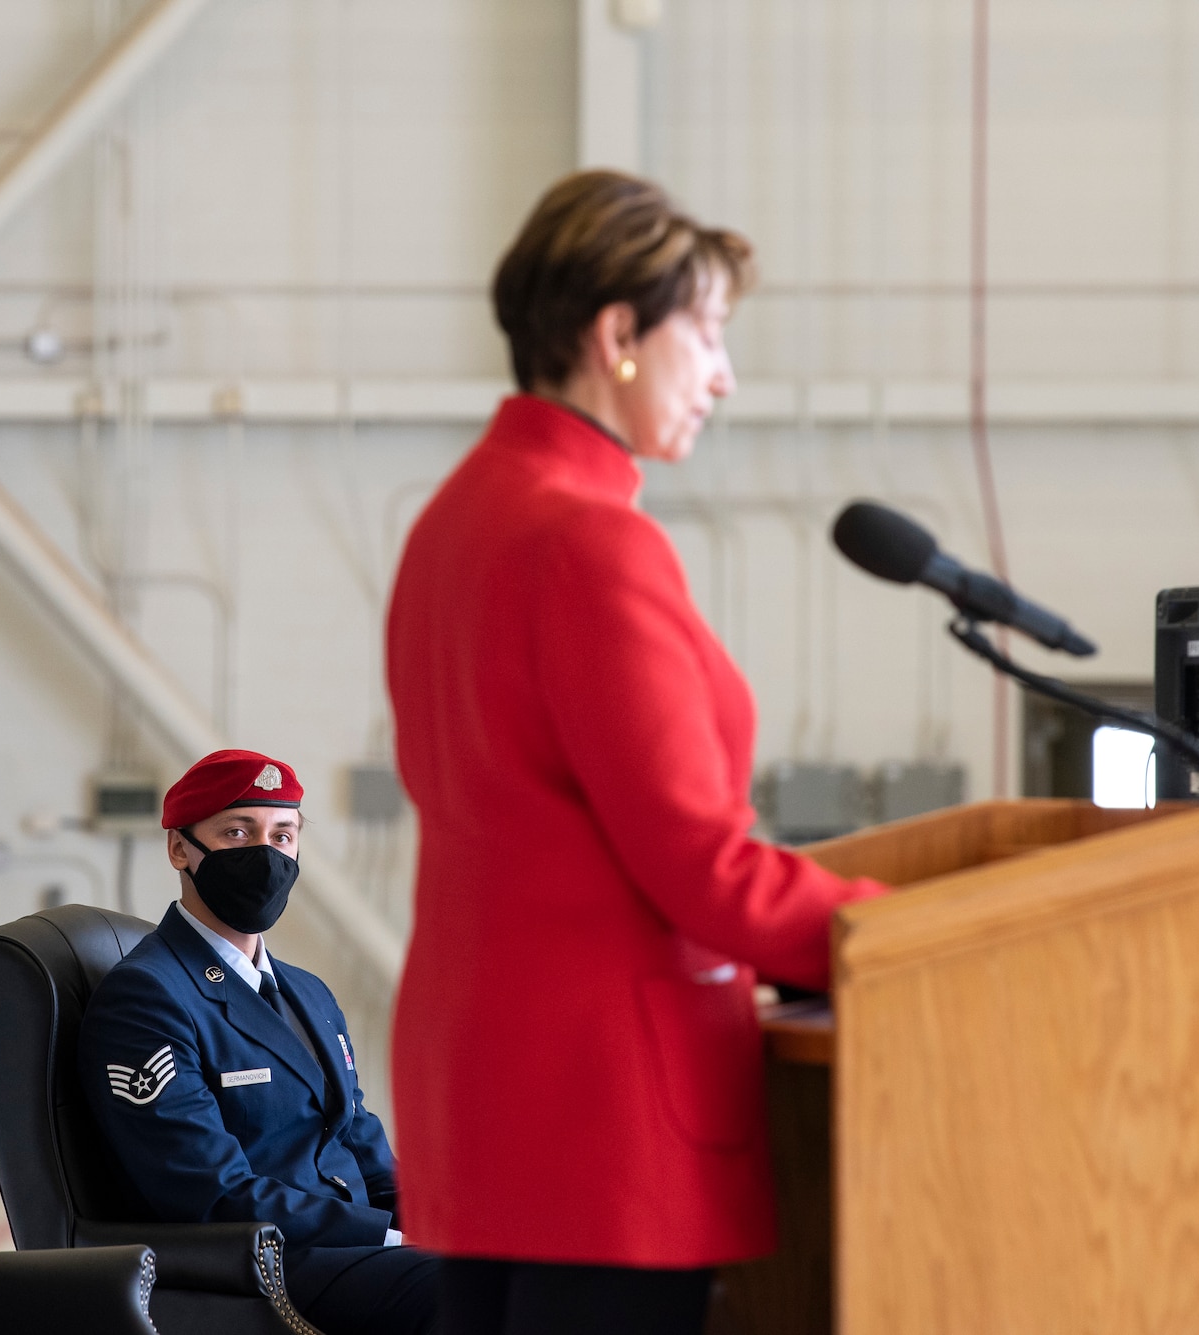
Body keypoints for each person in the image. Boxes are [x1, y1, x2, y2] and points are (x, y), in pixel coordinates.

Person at [384, 170, 893, 1334]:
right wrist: (897, 930)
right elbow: (698, 865)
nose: (721, 373)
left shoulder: (452, 521)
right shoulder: (590, 543)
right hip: (602, 1113)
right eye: (706, 334)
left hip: (481, 1085)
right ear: (615, 334)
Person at [78, 749, 438, 1335]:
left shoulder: (308, 992)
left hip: (353, 1246)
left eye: (283, 835)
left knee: (535, 1267)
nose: (265, 855)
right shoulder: (147, 998)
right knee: (477, 1292)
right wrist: (387, 1234)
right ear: (179, 849)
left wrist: (440, 1220)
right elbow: (210, 1191)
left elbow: (360, 1138)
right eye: (237, 832)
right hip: (273, 1261)